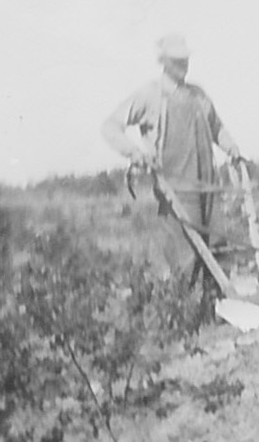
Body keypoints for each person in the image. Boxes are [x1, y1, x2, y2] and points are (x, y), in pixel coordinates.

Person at [101, 34, 245, 298]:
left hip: (208, 185)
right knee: (183, 255)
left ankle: (219, 311)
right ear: (164, 62)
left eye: (185, 59)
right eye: (177, 60)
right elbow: (110, 127)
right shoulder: (150, 95)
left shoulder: (198, 94)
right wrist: (134, 153)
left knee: (217, 246)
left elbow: (217, 128)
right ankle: (182, 314)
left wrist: (232, 148)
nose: (183, 64)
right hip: (176, 189)